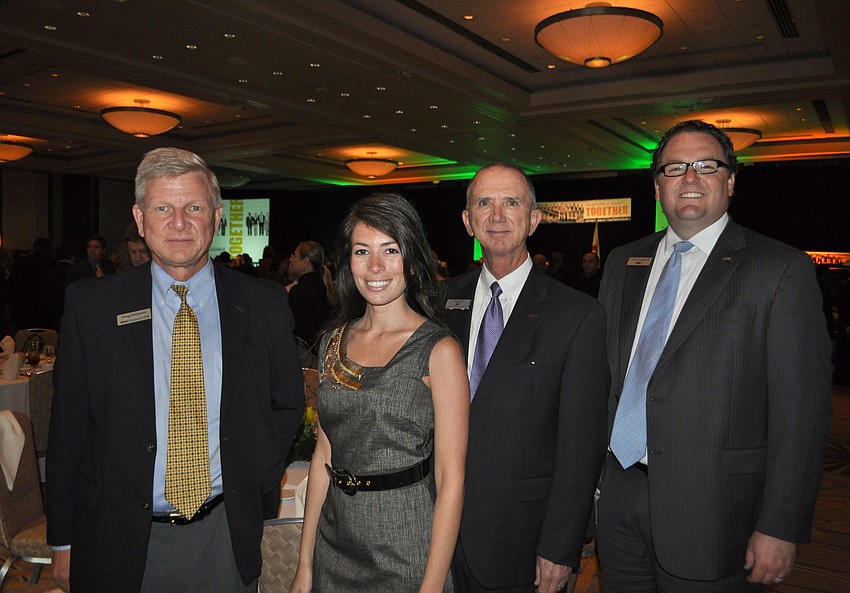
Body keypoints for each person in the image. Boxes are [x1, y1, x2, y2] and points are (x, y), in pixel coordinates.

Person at [47, 147, 305, 593]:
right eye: (163, 208)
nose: (179, 222)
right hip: (120, 538)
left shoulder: (263, 304)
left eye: (194, 207)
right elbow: (69, 428)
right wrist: (63, 541)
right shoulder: (92, 306)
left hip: (225, 531)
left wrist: (253, 471)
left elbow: (287, 404)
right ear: (140, 218)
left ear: (218, 217)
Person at [596, 120, 833, 592]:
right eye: (675, 167)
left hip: (714, 510)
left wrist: (781, 524)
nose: (689, 177)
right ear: (657, 185)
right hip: (617, 495)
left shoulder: (779, 268)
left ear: (729, 181)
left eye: (706, 166)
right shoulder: (624, 261)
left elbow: (801, 412)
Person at [444, 163, 609, 593]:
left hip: (522, 537)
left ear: (533, 220)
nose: (497, 215)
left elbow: (581, 445)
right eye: (484, 203)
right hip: (437, 531)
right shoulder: (439, 303)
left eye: (511, 202)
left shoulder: (577, 316)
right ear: (467, 221)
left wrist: (559, 544)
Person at [291, 193, 468, 593]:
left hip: (405, 547)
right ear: (345, 261)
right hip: (334, 546)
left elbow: (451, 479)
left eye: (391, 250)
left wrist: (432, 586)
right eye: (361, 251)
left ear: (413, 258)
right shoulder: (333, 341)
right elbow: (324, 454)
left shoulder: (438, 350)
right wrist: (305, 566)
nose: (375, 266)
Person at [288, 240, 335, 354]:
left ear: (305, 261)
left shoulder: (299, 292)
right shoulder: (325, 287)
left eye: (295, 255)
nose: (291, 259)